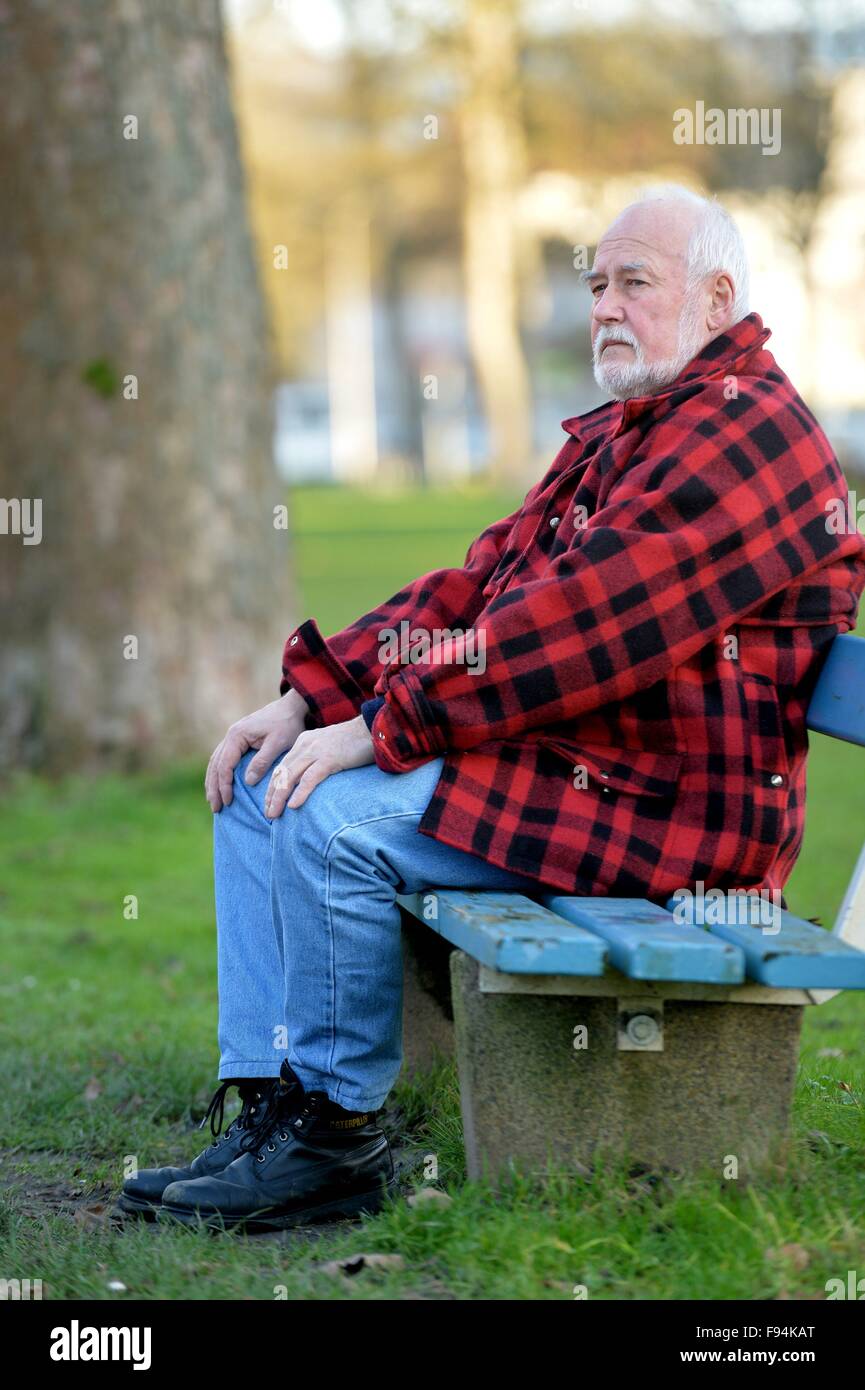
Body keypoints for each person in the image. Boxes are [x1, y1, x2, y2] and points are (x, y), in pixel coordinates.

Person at [117, 185, 865, 1231]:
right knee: (258, 780)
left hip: (678, 819)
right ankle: (274, 1110)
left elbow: (572, 629)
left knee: (332, 815)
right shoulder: (631, 426)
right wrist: (315, 690)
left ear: (715, 298)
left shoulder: (749, 438)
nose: (605, 306)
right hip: (585, 766)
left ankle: (335, 1143)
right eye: (596, 284)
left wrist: (378, 730)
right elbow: (485, 581)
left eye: (633, 283)